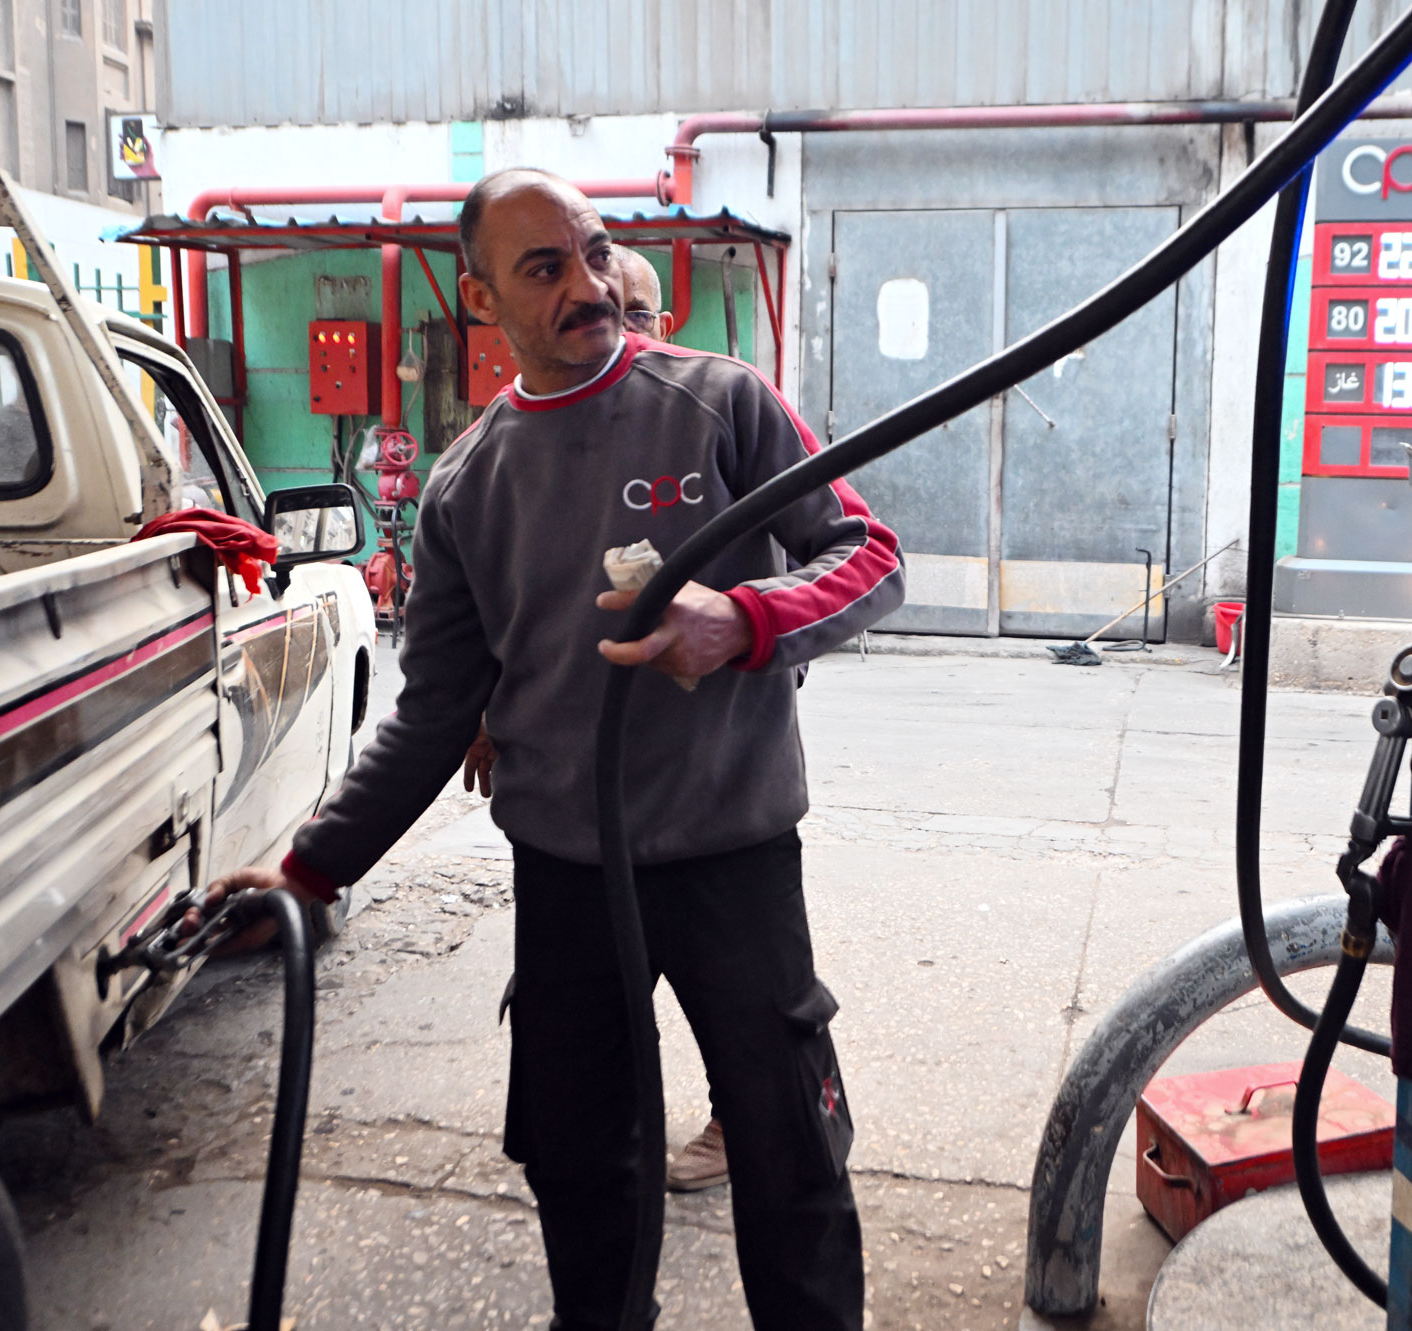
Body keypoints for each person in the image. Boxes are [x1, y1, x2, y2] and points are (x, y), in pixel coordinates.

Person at [204, 168, 903, 1331]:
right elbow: (434, 712)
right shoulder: (465, 487)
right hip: (568, 881)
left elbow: (869, 554)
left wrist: (745, 621)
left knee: (790, 1160)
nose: (589, 286)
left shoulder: (720, 404)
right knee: (581, 1171)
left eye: (595, 251)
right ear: (481, 301)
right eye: (544, 268)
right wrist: (307, 871)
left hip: (734, 865)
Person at [458, 241, 731, 1196]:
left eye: (639, 313)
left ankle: (744, 1113)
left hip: (703, 801)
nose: (618, 325)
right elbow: (504, 620)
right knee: (578, 1022)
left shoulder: (712, 414)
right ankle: (588, 1157)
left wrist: (744, 629)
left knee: (736, 1004)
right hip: (577, 819)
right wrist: (485, 712)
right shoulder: (501, 455)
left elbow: (820, 564)